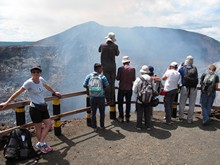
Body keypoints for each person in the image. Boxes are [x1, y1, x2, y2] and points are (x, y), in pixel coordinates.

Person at [0, 66, 61, 153]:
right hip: (35, 108)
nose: (36, 73)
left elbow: (46, 86)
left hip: (43, 107)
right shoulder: (28, 83)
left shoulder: (41, 79)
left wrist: (54, 92)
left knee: (48, 124)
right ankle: (42, 145)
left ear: (40, 73)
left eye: (37, 72)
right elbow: (18, 92)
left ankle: (41, 143)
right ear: (31, 73)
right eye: (34, 72)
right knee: (38, 128)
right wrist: (7, 102)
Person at [83, 63, 109, 131]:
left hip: (92, 97)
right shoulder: (102, 77)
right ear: (98, 69)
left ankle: (94, 127)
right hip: (101, 97)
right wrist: (101, 89)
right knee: (102, 112)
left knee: (93, 112)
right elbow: (107, 86)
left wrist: (90, 89)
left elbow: (84, 85)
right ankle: (102, 126)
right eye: (101, 68)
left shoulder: (89, 76)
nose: (102, 70)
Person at [98, 32, 120, 105]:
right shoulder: (115, 46)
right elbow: (117, 54)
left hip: (104, 67)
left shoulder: (102, 45)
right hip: (113, 67)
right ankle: (112, 99)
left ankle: (108, 100)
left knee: (106, 84)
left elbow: (99, 50)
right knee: (112, 84)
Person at [133, 65, 154, 131]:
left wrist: (139, 93)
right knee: (147, 112)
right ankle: (148, 126)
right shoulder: (151, 79)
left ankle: (139, 126)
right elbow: (154, 89)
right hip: (148, 99)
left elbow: (134, 90)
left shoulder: (139, 79)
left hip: (140, 99)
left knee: (139, 113)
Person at [178, 55, 198, 123]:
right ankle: (189, 119)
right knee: (192, 104)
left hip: (185, 87)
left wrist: (180, 66)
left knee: (182, 103)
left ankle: (181, 117)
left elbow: (178, 72)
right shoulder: (195, 68)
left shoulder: (183, 68)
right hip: (193, 88)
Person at [116, 56, 136, 123]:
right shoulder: (133, 69)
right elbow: (133, 79)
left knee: (120, 103)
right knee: (128, 103)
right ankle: (127, 117)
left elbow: (118, 78)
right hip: (129, 88)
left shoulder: (120, 69)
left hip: (121, 88)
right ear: (129, 62)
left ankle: (121, 117)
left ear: (123, 62)